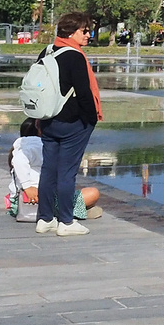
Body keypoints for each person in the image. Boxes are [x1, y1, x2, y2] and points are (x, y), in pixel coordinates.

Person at [35, 12, 103, 237]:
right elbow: (84, 93)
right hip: (72, 122)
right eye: (85, 31)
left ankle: (45, 218)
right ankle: (66, 221)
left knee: (49, 170)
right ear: (72, 32)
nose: (88, 35)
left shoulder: (47, 51)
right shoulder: (75, 56)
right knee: (67, 172)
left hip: (47, 120)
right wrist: (91, 118)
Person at [8, 119, 98, 221]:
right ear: (40, 128)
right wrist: (28, 187)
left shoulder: (22, 146)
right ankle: (74, 211)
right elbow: (18, 160)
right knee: (93, 193)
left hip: (16, 204)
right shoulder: (37, 144)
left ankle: (80, 210)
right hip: (39, 201)